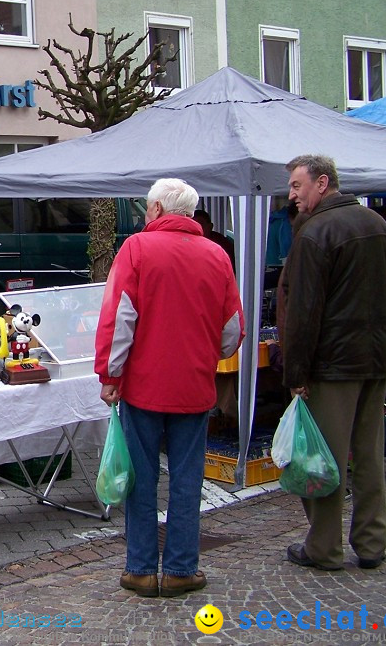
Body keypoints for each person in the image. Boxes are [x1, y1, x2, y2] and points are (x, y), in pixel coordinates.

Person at [95, 178, 244, 599]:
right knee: (186, 477)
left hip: (143, 385)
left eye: (147, 208)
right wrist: (203, 352)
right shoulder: (217, 254)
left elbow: (119, 318)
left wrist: (110, 375)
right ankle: (181, 567)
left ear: (157, 209)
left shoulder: (137, 249)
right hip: (194, 384)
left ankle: (141, 568)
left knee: (141, 477)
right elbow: (232, 330)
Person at [281, 154, 386, 571]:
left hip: (332, 366)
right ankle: (371, 544)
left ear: (322, 183)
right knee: (368, 456)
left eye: (297, 185)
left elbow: (304, 311)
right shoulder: (377, 225)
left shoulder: (316, 233)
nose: (292, 195)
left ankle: (324, 548)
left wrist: (296, 373)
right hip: (371, 358)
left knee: (323, 459)